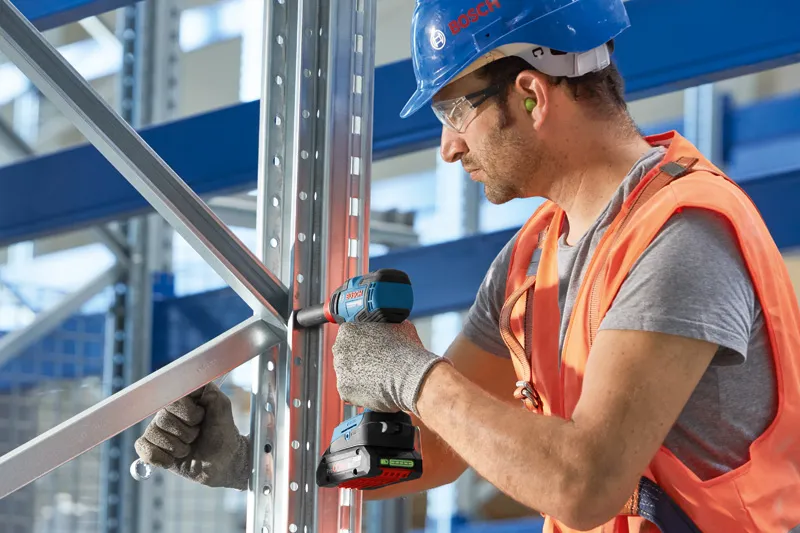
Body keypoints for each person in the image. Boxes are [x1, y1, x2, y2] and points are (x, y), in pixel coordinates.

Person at [135, 0, 800, 531]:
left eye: (456, 110)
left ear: (534, 95)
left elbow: (585, 485)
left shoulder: (680, 236)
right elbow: (437, 446)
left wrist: (412, 375)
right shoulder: (527, 263)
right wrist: (254, 461)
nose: (449, 147)